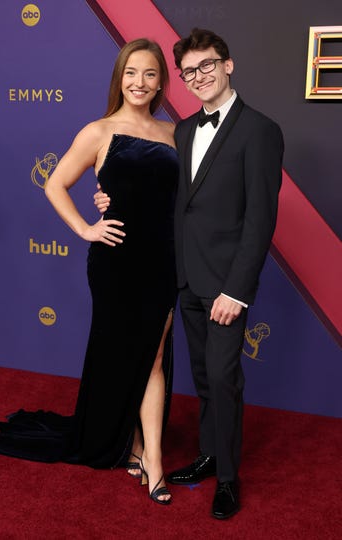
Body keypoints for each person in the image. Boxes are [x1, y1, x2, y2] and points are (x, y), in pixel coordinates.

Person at [96, 27, 284, 519]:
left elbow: (262, 220)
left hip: (227, 287)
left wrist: (238, 292)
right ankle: (207, 455)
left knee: (223, 378)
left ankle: (227, 479)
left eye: (207, 65)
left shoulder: (260, 130)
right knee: (203, 376)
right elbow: (164, 195)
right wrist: (109, 196)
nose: (199, 76)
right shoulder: (181, 130)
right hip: (185, 278)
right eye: (189, 71)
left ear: (228, 65)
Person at [0, 38, 179, 505]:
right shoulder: (98, 131)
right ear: (120, 77)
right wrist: (85, 227)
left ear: (161, 82)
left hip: (163, 259)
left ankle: (146, 452)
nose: (140, 82)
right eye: (132, 72)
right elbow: (55, 183)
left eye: (150, 74)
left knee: (154, 357)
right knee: (122, 354)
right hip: (116, 261)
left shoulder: (174, 133)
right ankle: (141, 452)